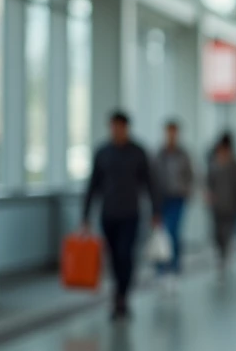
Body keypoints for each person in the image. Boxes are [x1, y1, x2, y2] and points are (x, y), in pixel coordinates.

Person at [82, 111, 161, 320]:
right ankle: (118, 292)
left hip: (130, 214)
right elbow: (93, 185)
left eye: (120, 127)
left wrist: (156, 210)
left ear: (126, 128)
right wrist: (86, 216)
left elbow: (149, 183)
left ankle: (122, 295)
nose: (116, 131)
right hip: (108, 214)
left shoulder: (138, 152)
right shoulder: (103, 153)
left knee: (126, 254)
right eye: (113, 127)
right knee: (114, 257)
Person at [153, 120, 194, 277]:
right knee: (162, 232)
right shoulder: (159, 154)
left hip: (178, 197)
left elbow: (190, 175)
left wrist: (187, 189)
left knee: (174, 231)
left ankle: (175, 264)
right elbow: (153, 176)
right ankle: (161, 266)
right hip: (162, 198)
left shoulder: (183, 154)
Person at [205, 133, 236, 273]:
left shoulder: (234, 163)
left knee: (227, 230)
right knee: (217, 232)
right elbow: (208, 181)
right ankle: (220, 252)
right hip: (217, 204)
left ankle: (225, 253)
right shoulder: (213, 163)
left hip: (231, 203)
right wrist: (209, 194)